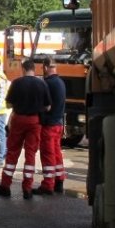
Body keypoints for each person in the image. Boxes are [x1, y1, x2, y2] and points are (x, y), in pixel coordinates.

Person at [0, 59, 51, 200]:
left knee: (13, 152)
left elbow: (8, 104)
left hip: (19, 119)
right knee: (30, 154)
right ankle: (27, 188)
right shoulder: (42, 83)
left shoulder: (17, 83)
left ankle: (5, 186)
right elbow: (48, 106)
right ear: (34, 69)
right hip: (35, 121)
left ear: (23, 69)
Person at [34, 57, 67, 195]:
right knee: (57, 153)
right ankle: (59, 181)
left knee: (48, 155)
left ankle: (48, 185)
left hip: (48, 125)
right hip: (58, 123)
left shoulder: (47, 83)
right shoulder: (60, 82)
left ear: (46, 67)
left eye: (43, 68)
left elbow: (44, 105)